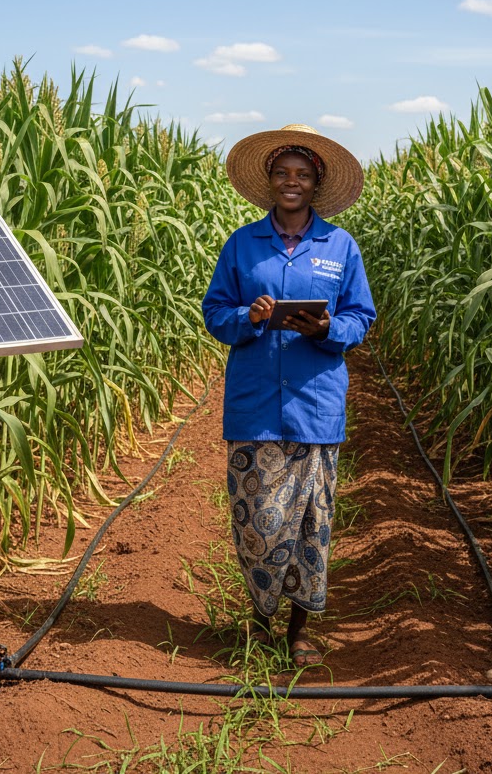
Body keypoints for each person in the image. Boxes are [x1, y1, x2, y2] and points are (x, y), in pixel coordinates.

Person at [201, 123, 376, 668]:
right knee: (256, 520)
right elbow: (215, 312)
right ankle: (259, 620)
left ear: (316, 183)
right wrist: (248, 317)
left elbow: (360, 317)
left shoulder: (340, 246)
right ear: (270, 180)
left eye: (302, 174)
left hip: (314, 404)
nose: (291, 182)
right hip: (255, 406)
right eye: (282, 173)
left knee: (310, 525)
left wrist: (326, 329)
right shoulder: (242, 244)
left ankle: (298, 631)